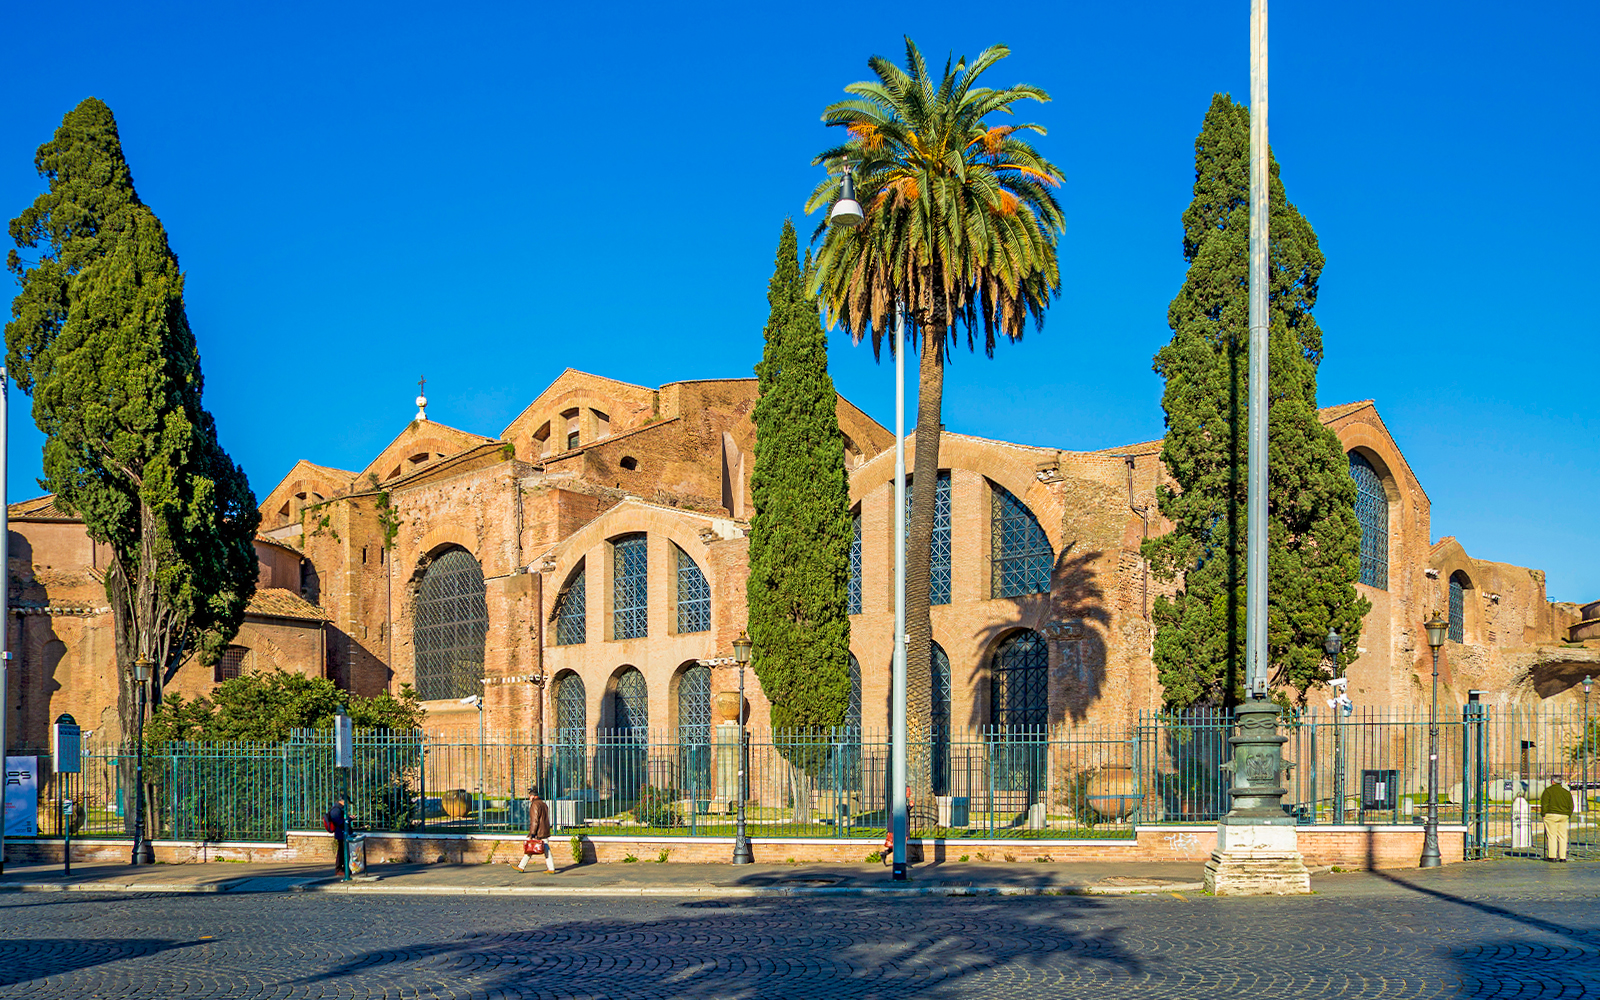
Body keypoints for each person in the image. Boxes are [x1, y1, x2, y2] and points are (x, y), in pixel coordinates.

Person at [518, 787, 555, 873]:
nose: (529, 798)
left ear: (533, 796)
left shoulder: (534, 805)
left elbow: (535, 820)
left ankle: (521, 866)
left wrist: (532, 833)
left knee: (531, 847)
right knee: (540, 849)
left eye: (529, 796)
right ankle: (521, 866)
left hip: (538, 831)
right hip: (545, 830)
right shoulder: (543, 804)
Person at [1539, 774, 1574, 862]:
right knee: (1563, 836)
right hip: (1564, 815)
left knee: (1552, 835)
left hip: (1551, 814)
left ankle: (1552, 856)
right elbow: (1571, 805)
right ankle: (1563, 857)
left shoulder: (1548, 791)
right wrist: (1568, 814)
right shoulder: (1566, 792)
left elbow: (1544, 804)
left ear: (1552, 781)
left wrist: (1543, 814)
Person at [324, 796, 349, 875]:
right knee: (341, 851)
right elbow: (339, 822)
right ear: (343, 801)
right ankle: (339, 869)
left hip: (342, 832)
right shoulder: (336, 810)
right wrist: (348, 819)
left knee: (344, 851)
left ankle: (344, 868)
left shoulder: (339, 809)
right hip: (340, 833)